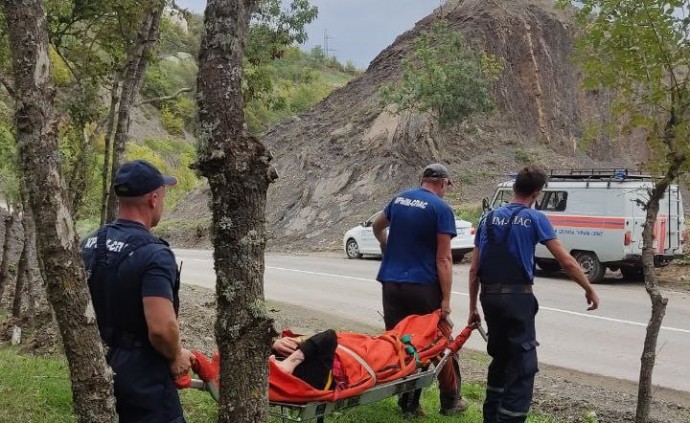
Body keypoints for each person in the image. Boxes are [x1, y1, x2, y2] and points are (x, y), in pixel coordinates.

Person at [468, 166, 600, 423]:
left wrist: (473, 307)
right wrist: (589, 288)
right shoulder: (535, 218)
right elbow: (567, 262)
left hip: (489, 298)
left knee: (500, 358)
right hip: (518, 300)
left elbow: (474, 268)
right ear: (537, 193)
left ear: (515, 187)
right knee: (523, 366)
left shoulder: (487, 218)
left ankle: (491, 418)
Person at [81, 160, 193, 423]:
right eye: (163, 197)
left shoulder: (88, 244)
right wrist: (176, 355)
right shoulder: (154, 254)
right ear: (154, 199)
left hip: (97, 363)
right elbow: (161, 329)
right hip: (143, 378)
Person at [372, 163, 467, 418]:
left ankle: (408, 406)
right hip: (422, 285)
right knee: (439, 341)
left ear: (422, 179)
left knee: (400, 343)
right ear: (443, 183)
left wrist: (387, 246)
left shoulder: (399, 199)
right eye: (448, 186)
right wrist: (446, 301)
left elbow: (376, 227)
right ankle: (451, 401)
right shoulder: (441, 209)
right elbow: (444, 259)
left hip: (391, 283)